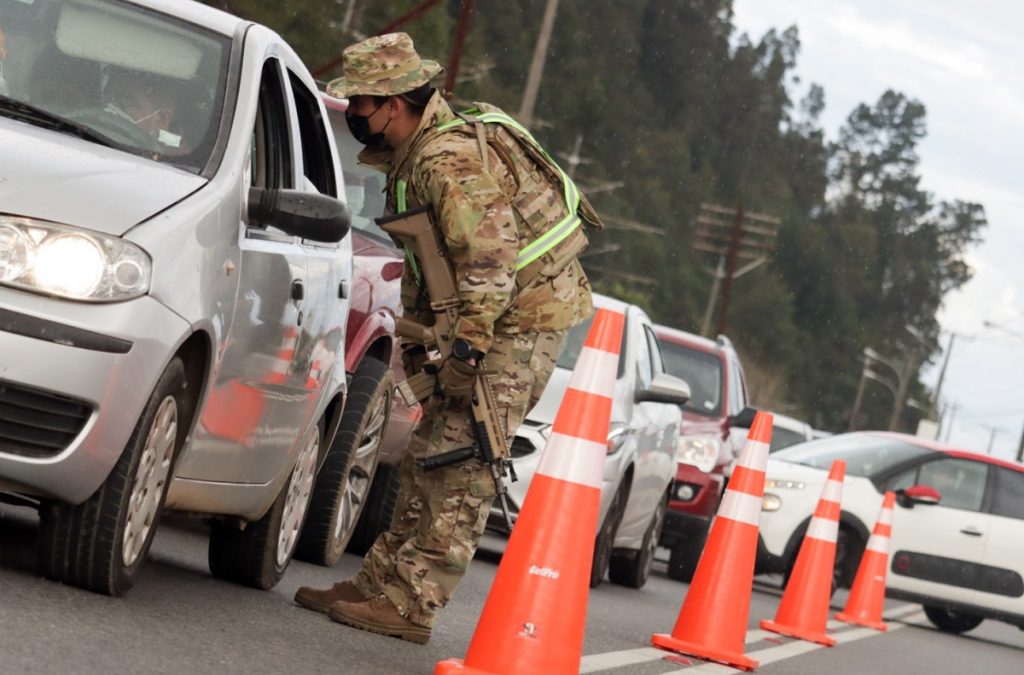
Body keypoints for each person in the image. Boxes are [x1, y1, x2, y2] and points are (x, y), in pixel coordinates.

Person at [293, 32, 598, 643]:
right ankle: (383, 583)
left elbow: (490, 253)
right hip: (491, 315)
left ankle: (413, 605)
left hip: (520, 321)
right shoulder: (416, 155)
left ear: (397, 103)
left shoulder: (444, 160)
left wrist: (469, 346)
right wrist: (424, 340)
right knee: (429, 447)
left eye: (361, 104)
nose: (354, 115)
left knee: (463, 459)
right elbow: (429, 261)